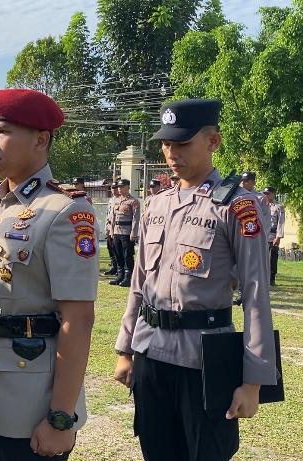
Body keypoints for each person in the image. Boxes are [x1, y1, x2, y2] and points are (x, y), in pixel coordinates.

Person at [114, 99, 277, 461]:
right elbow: (140, 283)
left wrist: (253, 382)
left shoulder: (237, 206)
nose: (172, 153)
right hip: (151, 355)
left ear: (213, 142)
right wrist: (126, 349)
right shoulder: (156, 205)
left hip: (203, 361)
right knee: (156, 451)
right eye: (167, 143)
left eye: (183, 143)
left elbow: (255, 293)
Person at [0, 88, 98, 460]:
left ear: (41, 139)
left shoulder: (65, 210)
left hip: (29, 404)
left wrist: (61, 417)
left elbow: (77, 319)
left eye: (2, 132)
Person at [108, 178, 140, 287]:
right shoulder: (116, 200)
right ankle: (120, 275)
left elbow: (136, 219)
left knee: (127, 255)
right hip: (117, 231)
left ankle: (128, 277)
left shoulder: (133, 201)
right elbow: (113, 217)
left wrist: (134, 233)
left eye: (122, 187)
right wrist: (111, 230)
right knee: (118, 254)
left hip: (127, 232)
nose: (119, 189)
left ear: (128, 187)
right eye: (119, 187)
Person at [263, 187, 285, 286]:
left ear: (273, 194)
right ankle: (262, 278)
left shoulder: (278, 207)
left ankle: (271, 279)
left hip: (273, 235)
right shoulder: (261, 205)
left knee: (272, 258)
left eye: (268, 193)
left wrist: (278, 237)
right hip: (262, 235)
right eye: (265, 193)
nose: (266, 195)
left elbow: (281, 223)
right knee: (262, 258)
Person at [104, 182, 120, 276]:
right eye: (112, 188)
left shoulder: (120, 199)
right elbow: (108, 215)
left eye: (115, 188)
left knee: (117, 249)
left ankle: (119, 268)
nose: (113, 190)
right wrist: (106, 228)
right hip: (109, 227)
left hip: (117, 228)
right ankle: (114, 267)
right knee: (110, 247)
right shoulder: (111, 200)